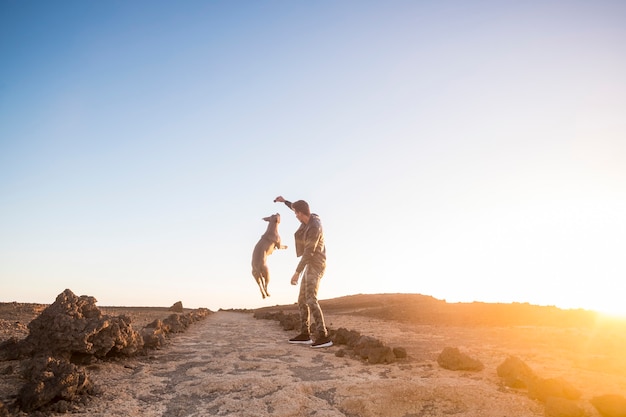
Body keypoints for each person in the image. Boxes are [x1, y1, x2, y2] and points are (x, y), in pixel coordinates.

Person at [274, 196, 332, 348]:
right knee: (301, 299)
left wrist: (297, 272)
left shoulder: (314, 227)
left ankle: (323, 336)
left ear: (301, 213)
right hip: (309, 263)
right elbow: (294, 206)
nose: (295, 216)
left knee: (311, 299)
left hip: (317, 264)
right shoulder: (307, 217)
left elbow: (309, 253)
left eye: (296, 214)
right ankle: (305, 334)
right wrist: (284, 201)